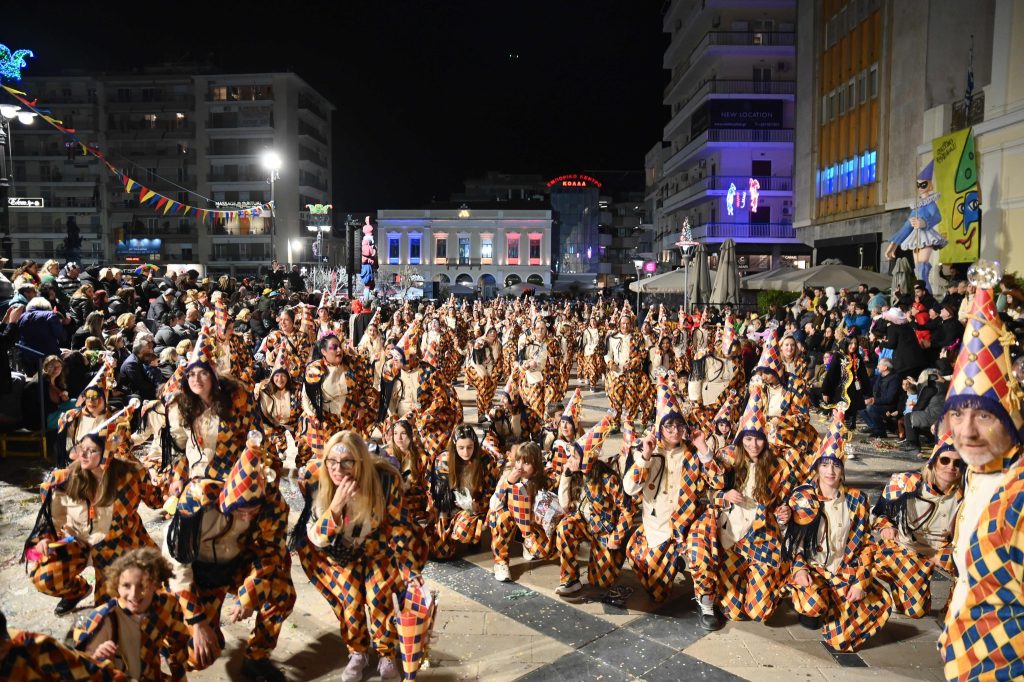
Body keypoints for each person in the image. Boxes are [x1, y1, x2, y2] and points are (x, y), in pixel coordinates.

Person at [937, 262, 1024, 681]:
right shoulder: (980, 470)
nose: (967, 432)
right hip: (967, 654)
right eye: (958, 414)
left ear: (1010, 420)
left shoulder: (1018, 498)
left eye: (985, 417)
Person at [163, 432, 293, 682]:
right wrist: (197, 621)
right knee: (200, 655)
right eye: (241, 510)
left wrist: (249, 593)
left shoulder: (273, 505)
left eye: (252, 511)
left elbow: (271, 553)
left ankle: (257, 657)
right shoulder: (198, 501)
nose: (246, 518)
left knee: (282, 590)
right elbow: (178, 564)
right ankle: (168, 638)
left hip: (234, 566)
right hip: (196, 574)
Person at [289, 430, 404, 682]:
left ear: (360, 462)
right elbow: (317, 537)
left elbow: (395, 527)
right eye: (332, 460)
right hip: (334, 551)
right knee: (349, 598)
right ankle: (358, 652)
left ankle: (386, 652)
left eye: (346, 462)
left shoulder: (386, 481)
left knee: (378, 597)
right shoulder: (314, 478)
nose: (337, 468)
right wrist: (336, 505)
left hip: (377, 548)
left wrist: (406, 568)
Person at [24, 407, 161, 615]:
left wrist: (171, 485)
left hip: (118, 547)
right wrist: (44, 537)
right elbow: (50, 518)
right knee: (44, 575)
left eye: (92, 450)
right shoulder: (64, 478)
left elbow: (156, 501)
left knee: (114, 613)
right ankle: (76, 591)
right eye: (82, 449)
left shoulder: (133, 473)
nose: (84, 455)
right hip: (79, 543)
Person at [783, 410, 892, 651]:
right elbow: (793, 544)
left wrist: (860, 583)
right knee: (812, 610)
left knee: (842, 641)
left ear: (842, 469)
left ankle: (837, 602)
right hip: (814, 569)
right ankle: (812, 602)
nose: (830, 471)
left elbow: (865, 545)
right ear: (817, 466)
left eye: (835, 465)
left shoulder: (856, 500)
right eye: (825, 465)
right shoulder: (802, 496)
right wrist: (799, 570)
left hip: (844, 570)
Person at [692, 383, 796, 623]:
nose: (753, 445)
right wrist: (723, 494)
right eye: (748, 438)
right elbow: (708, 489)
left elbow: (787, 500)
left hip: (762, 539)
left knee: (760, 612)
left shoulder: (779, 467)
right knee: (735, 613)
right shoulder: (728, 455)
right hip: (731, 539)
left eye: (758, 439)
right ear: (741, 438)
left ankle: (770, 580)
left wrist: (785, 511)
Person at [625, 381, 723, 628]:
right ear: (660, 427)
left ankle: (707, 603)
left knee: (701, 552)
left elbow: (718, 481)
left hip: (689, 522)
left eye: (679, 424)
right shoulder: (647, 450)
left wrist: (703, 448)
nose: (675, 430)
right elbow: (630, 488)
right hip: (657, 526)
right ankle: (674, 560)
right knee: (654, 590)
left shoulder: (692, 451)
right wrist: (645, 457)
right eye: (669, 424)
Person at [870, 434, 962, 620]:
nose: (951, 467)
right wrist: (886, 527)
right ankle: (897, 579)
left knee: (971, 565)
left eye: (957, 463)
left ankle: (955, 610)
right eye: (945, 460)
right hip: (904, 548)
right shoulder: (905, 482)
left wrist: (944, 557)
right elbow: (878, 513)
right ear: (933, 462)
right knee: (915, 611)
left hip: (940, 552)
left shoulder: (965, 496)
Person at [71, 548, 189, 681]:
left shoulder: (167, 605)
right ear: (116, 585)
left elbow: (178, 646)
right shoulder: (97, 620)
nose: (134, 595)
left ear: (155, 584)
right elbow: (81, 672)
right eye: (126, 586)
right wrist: (98, 662)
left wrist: (179, 676)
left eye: (142, 585)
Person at [553, 415, 624, 595]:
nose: (571, 458)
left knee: (599, 582)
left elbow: (627, 510)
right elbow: (564, 504)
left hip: (605, 530)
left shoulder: (608, 479)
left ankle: (616, 557)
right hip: (585, 523)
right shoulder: (576, 474)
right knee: (564, 527)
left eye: (575, 456)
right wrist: (566, 476)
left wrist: (617, 536)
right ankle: (570, 580)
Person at [431, 423, 500, 560]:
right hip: (449, 505)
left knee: (464, 531)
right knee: (441, 553)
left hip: (473, 506)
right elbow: (436, 494)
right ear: (454, 446)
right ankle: (448, 535)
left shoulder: (486, 460)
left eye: (470, 447)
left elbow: (491, 492)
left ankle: (474, 534)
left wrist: (478, 507)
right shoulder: (443, 460)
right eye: (461, 448)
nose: (466, 452)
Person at [488, 442, 555, 582]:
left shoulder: (544, 481)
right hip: (510, 520)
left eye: (526, 463)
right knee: (500, 518)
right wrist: (508, 483)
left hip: (529, 525)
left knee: (544, 551)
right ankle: (501, 562)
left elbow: (550, 505)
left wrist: (541, 517)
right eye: (518, 461)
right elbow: (493, 505)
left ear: (536, 465)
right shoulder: (508, 475)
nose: (520, 466)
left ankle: (527, 545)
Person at [860, 358, 902, 438]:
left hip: (890, 405)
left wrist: (874, 400)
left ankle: (881, 431)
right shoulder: (880, 376)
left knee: (871, 408)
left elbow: (890, 398)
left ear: (885, 367)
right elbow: (874, 390)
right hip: (879, 402)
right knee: (861, 406)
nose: (877, 366)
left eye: (879, 364)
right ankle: (875, 427)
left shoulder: (894, 379)